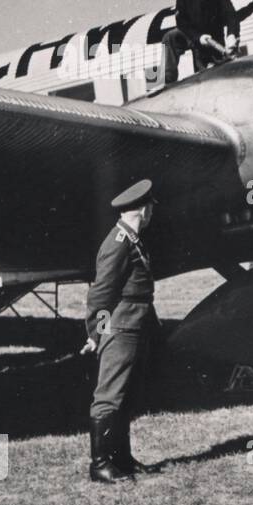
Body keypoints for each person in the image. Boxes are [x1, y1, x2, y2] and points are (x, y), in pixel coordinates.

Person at [80, 179, 162, 483]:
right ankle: (100, 464)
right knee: (110, 395)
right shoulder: (117, 242)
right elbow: (100, 294)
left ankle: (121, 458)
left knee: (126, 395)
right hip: (121, 325)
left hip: (136, 322)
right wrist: (95, 333)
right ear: (142, 209)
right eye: (151, 207)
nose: (152, 212)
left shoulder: (132, 239)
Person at [160, 0, 240, 86]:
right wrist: (198, 37)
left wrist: (231, 36)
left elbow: (231, 17)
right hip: (189, 33)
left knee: (207, 73)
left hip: (212, 39)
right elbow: (181, 22)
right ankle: (165, 79)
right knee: (169, 37)